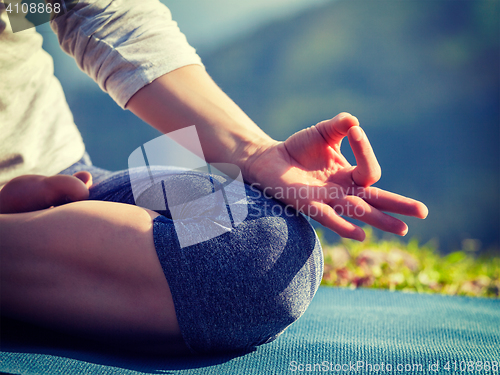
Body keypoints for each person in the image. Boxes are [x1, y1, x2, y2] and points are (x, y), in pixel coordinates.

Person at [0, 0, 428, 355]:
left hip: (66, 174)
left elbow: (69, 7)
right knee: (248, 277)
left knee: (261, 237)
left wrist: (253, 152)